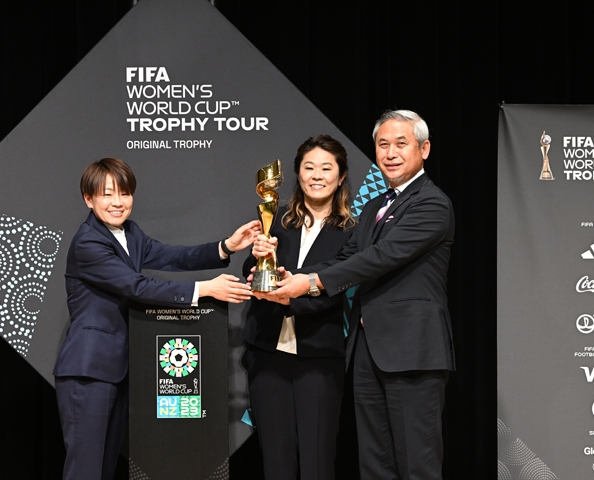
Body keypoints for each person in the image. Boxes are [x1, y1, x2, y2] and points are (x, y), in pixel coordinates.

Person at [262, 110, 455, 480]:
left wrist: (311, 283)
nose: (390, 153)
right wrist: (288, 278)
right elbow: (347, 259)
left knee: (417, 464)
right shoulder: (375, 206)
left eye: (401, 144)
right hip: (369, 350)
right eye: (383, 144)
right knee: (374, 464)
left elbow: (380, 258)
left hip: (413, 351)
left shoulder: (432, 203)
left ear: (424, 149)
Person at [53, 157, 261, 480]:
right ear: (88, 198)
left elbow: (172, 256)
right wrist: (206, 289)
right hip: (87, 371)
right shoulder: (88, 242)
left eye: (124, 193)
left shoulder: (130, 234)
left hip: (116, 371)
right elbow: (136, 286)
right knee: (85, 471)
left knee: (105, 469)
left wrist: (225, 247)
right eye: (107, 194)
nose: (117, 202)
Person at [243, 135, 355, 480]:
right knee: (275, 462)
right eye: (309, 167)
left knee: (317, 461)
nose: (317, 175)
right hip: (267, 352)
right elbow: (253, 270)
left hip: (319, 355)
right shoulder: (274, 220)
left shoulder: (353, 230)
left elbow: (339, 287)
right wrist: (256, 261)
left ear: (340, 176)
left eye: (326, 168)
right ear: (298, 174)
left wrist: (293, 293)